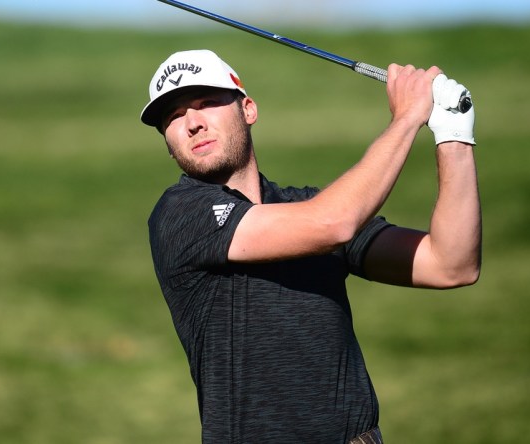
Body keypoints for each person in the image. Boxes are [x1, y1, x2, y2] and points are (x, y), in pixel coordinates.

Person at [140, 49, 481, 444]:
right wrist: (407, 118)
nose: (192, 123)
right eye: (174, 117)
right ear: (167, 142)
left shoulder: (305, 206)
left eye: (207, 103)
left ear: (248, 109)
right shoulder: (181, 214)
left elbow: (451, 264)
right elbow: (333, 223)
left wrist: (454, 135)